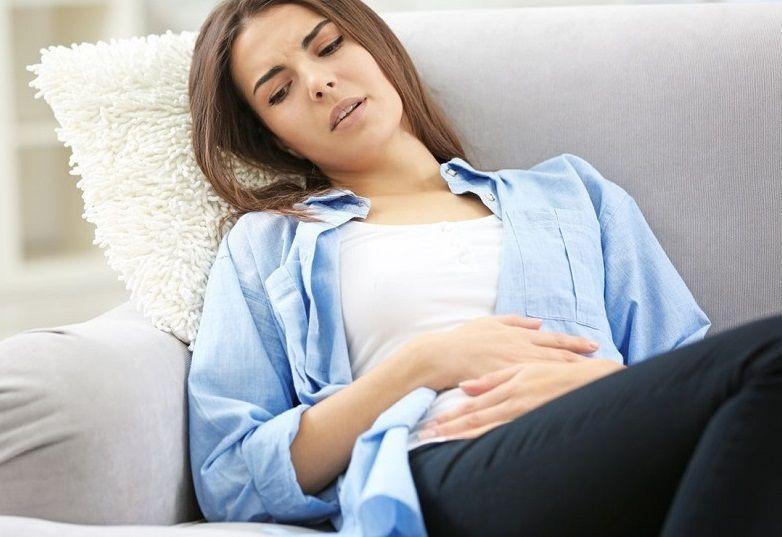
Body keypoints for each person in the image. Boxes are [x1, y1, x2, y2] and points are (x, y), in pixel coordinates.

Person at [186, 1, 782, 535]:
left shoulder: (572, 195)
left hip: (612, 445)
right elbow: (230, 477)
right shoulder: (270, 244)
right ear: (279, 140)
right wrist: (422, 365)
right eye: (279, 92)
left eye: (328, 46)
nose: (318, 83)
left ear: (376, 46)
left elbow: (689, 372)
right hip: (444, 467)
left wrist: (602, 384)